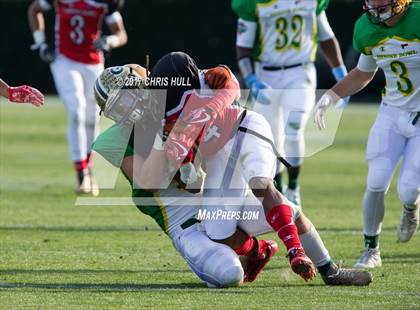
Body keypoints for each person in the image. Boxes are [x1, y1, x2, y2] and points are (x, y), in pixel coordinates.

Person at [94, 57, 372, 286]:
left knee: (288, 210)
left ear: (141, 86)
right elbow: (151, 179)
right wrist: (169, 135)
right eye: (117, 108)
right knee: (230, 275)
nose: (126, 110)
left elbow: (225, 82)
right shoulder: (117, 138)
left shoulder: (168, 90)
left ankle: (328, 268)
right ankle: (255, 250)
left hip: (212, 190)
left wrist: (200, 116)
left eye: (126, 99)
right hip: (184, 224)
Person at [313, 0, 419, 268]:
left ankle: (411, 208)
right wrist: (331, 96)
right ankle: (371, 250)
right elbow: (363, 73)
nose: (375, 4)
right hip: (392, 112)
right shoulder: (366, 28)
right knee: (376, 180)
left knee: (408, 190)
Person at [232, 0, 349, 206]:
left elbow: (326, 37)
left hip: (300, 73)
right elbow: (243, 47)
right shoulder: (254, 4)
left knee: (293, 128)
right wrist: (250, 78)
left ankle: (294, 187)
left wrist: (341, 74)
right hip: (266, 75)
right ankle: (279, 191)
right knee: (272, 140)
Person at [27, 0, 128, 195]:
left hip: (93, 63)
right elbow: (34, 9)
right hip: (65, 60)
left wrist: (109, 41)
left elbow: (121, 33)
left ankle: (89, 170)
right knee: (76, 109)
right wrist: (40, 42)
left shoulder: (103, 2)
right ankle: (81, 174)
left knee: (93, 116)